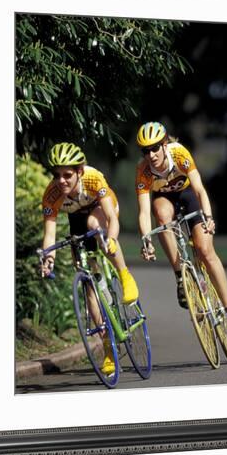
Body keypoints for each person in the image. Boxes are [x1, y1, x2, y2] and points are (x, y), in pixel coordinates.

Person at [135, 122, 227, 343]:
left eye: (155, 147)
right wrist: (146, 240)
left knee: (205, 250)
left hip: (188, 196)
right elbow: (144, 212)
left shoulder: (180, 154)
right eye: (146, 150)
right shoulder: (143, 171)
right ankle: (180, 275)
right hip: (165, 200)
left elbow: (199, 189)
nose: (151, 154)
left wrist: (209, 217)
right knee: (160, 213)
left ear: (165, 144)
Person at [40, 142, 139, 374]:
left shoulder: (93, 178)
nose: (61, 180)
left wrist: (112, 240)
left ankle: (125, 276)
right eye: (56, 175)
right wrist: (49, 259)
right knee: (87, 279)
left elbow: (113, 219)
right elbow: (50, 235)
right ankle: (108, 348)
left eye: (67, 175)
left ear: (79, 171)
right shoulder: (52, 195)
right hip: (76, 216)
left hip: (100, 208)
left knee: (95, 225)